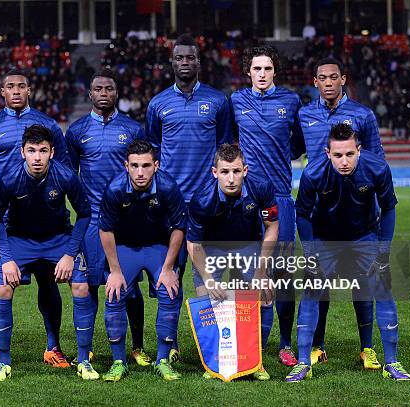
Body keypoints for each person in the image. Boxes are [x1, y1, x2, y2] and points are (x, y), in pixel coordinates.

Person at [287, 123, 410, 382]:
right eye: (338, 155)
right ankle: (302, 363)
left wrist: (383, 251)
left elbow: (388, 209)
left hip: (364, 235)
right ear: (327, 153)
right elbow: (302, 214)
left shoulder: (377, 168)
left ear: (359, 150)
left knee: (383, 288)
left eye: (350, 154)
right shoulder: (313, 173)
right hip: (325, 238)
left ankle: (392, 362)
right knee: (311, 290)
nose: (344, 161)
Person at [0, 68, 70, 368]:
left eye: (21, 86)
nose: (16, 91)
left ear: (30, 90)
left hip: (45, 220)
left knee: (48, 282)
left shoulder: (48, 125)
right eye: (10, 86)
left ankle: (53, 346)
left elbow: (63, 168)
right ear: (2, 91)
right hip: (6, 221)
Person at [145, 33, 233, 362]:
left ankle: (210, 344)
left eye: (190, 58)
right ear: (172, 63)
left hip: (208, 204)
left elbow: (225, 151)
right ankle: (170, 344)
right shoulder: (157, 104)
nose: (185, 62)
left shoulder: (218, 101)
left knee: (207, 276)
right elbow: (152, 154)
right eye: (179, 58)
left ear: (199, 62)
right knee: (170, 277)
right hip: (170, 206)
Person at [297, 57, 385, 367]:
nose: (329, 82)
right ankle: (317, 346)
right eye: (323, 77)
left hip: (359, 216)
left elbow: (376, 161)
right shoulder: (305, 114)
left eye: (334, 77)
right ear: (316, 81)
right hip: (321, 216)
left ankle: (367, 348)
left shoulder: (363, 115)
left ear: (343, 79)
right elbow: (293, 149)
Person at [0, 125, 91, 382]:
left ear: (52, 152)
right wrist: (7, 258)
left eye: (43, 151)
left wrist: (69, 253)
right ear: (22, 152)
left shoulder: (66, 176)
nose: (37, 157)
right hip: (20, 240)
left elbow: (85, 214)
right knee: (2, 288)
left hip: (57, 239)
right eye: (32, 151)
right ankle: (4, 360)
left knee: (80, 286)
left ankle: (80, 358)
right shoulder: (10, 178)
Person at [65, 68, 150, 371]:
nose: (104, 94)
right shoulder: (75, 131)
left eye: (109, 89)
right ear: (90, 94)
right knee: (86, 284)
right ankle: (85, 351)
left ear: (117, 93)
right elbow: (68, 177)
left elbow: (143, 174)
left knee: (128, 287)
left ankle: (137, 346)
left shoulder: (133, 129)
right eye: (98, 89)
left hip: (125, 220)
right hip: (90, 223)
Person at [230, 45, 303, 367]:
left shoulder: (291, 101)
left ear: (275, 72)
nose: (262, 74)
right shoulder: (236, 101)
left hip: (281, 199)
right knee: (247, 274)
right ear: (248, 72)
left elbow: (298, 144)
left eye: (267, 69)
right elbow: (229, 142)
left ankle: (285, 343)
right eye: (256, 69)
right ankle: (250, 341)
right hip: (247, 201)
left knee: (283, 276)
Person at [187, 144, 278, 381]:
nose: (231, 178)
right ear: (214, 172)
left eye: (236, 171)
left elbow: (272, 227)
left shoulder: (262, 187)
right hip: (211, 247)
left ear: (245, 170)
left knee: (266, 294)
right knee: (207, 298)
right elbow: (194, 244)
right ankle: (215, 362)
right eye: (225, 172)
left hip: (247, 244)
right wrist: (208, 278)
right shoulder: (201, 199)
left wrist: (261, 271)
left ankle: (255, 359)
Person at [98, 140, 186, 382]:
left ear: (155, 165)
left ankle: (163, 360)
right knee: (114, 293)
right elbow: (105, 230)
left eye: (146, 166)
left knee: (170, 292)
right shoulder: (115, 188)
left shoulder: (168, 186)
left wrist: (168, 268)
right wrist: (115, 271)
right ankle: (118, 362)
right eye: (134, 166)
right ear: (126, 165)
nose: (140, 172)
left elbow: (179, 227)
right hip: (125, 248)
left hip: (158, 247)